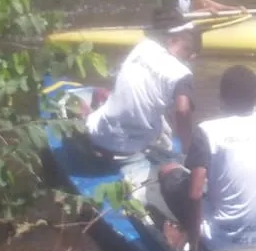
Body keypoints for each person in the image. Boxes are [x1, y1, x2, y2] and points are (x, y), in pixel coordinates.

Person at [159, 64, 256, 251]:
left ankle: (188, 238)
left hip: (220, 247)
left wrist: (194, 250)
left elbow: (195, 195)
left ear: (221, 99)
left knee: (168, 171)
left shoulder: (207, 131)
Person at [86, 25, 201, 158]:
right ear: (193, 56)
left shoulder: (144, 46)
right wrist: (187, 148)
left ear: (170, 40)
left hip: (97, 134)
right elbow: (182, 111)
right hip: (129, 148)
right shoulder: (182, 75)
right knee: (165, 129)